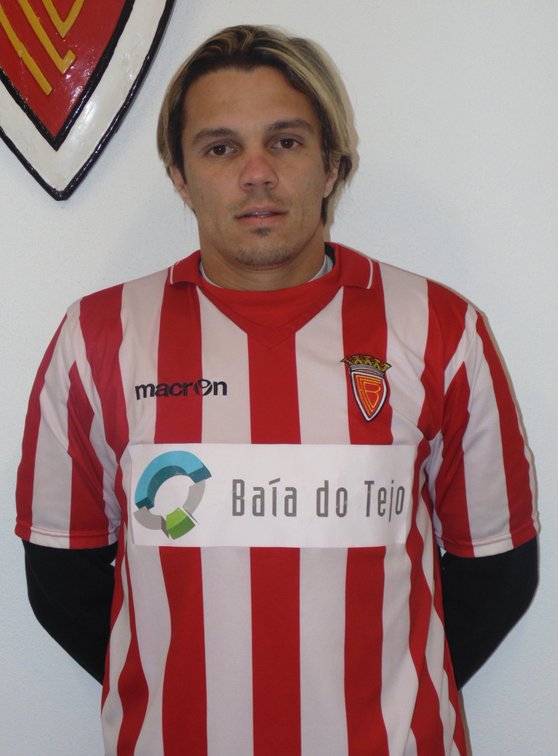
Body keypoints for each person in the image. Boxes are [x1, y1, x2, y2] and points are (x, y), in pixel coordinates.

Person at [16, 24, 539, 756]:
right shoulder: (99, 337)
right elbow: (60, 574)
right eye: (220, 148)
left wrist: (386, 702)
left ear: (331, 166)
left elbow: (498, 568)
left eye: (286, 142)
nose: (256, 173)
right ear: (179, 175)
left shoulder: (441, 329)